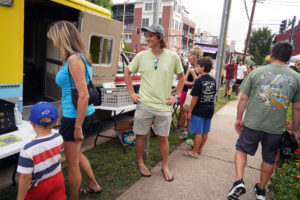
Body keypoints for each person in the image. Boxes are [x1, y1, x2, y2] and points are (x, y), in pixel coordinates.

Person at [227, 41, 300, 200]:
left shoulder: (256, 72)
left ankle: (239, 181)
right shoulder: (296, 78)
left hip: (253, 124)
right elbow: (297, 108)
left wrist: (239, 119)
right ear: (288, 58)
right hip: (275, 128)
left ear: (272, 54)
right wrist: (294, 130)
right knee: (269, 158)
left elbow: (243, 99)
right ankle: (260, 190)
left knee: (241, 150)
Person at [47, 21, 102, 200]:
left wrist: (77, 126)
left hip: (75, 118)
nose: (54, 43)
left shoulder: (74, 59)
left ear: (62, 38)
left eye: (54, 39)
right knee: (76, 154)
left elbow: (84, 95)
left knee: (71, 164)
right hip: (82, 114)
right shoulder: (81, 57)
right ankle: (94, 184)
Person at [124, 24, 184, 182]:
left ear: (160, 38)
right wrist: (132, 93)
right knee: (141, 136)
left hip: (164, 107)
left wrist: (176, 96)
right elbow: (127, 72)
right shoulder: (141, 56)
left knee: (163, 138)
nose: (147, 38)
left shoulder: (172, 57)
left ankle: (165, 166)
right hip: (144, 105)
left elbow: (181, 77)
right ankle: (141, 163)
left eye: (151, 35)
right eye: (147, 35)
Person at [17, 102, 65, 200]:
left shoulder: (28, 149)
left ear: (31, 122)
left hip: (38, 186)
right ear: (56, 122)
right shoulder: (59, 137)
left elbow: (26, 177)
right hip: (58, 178)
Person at [183, 57, 216, 158]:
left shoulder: (199, 81)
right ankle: (199, 149)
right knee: (205, 131)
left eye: (197, 66)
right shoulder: (213, 80)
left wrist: (190, 111)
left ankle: (194, 152)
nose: (196, 68)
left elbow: (195, 98)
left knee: (198, 132)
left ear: (203, 67)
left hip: (199, 110)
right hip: (209, 109)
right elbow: (213, 94)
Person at [173, 47, 202, 135]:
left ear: (194, 57)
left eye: (189, 59)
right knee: (187, 112)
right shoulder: (191, 67)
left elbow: (198, 82)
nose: (189, 60)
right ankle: (188, 132)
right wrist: (192, 82)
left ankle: (189, 133)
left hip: (193, 94)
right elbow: (184, 81)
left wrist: (193, 75)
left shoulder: (199, 67)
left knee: (191, 113)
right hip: (189, 93)